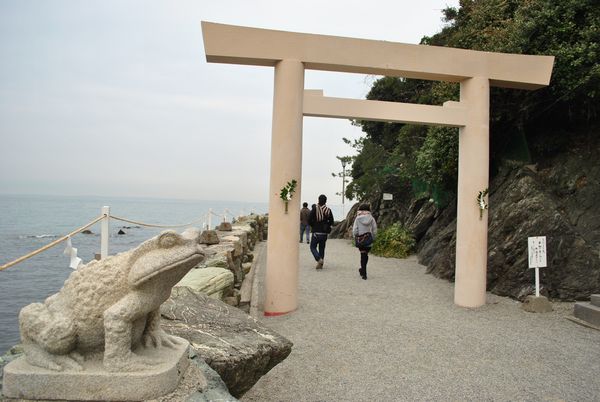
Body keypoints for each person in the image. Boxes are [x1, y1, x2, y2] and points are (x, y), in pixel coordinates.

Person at [308, 194, 334, 270]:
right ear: (326, 201)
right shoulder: (328, 210)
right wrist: (326, 225)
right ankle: (321, 264)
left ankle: (319, 259)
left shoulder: (315, 209)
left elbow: (309, 220)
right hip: (324, 232)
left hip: (316, 231)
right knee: (322, 248)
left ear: (318, 200)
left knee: (312, 247)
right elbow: (331, 221)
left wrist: (313, 225)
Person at [352, 204, 377, 280]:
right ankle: (363, 270)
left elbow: (355, 230)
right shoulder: (371, 218)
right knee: (365, 255)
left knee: (362, 254)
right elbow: (374, 230)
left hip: (360, 239)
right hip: (368, 239)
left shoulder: (358, 218)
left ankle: (363, 272)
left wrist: (356, 236)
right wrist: (373, 238)